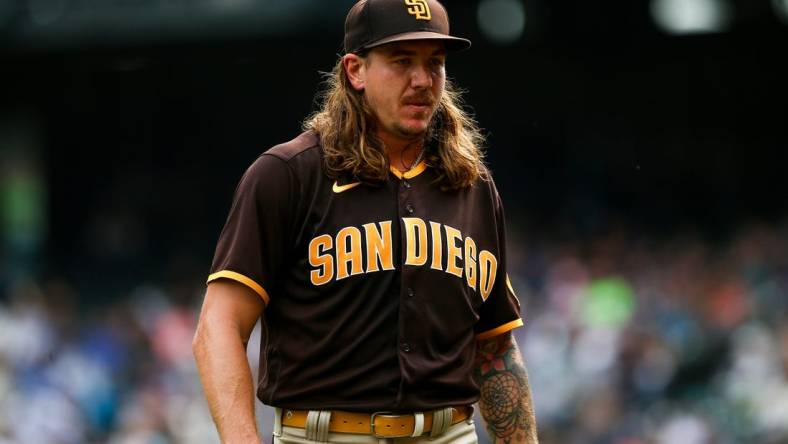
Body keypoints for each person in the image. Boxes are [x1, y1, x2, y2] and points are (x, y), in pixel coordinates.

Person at [192, 0, 538, 442]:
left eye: (435, 63)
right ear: (355, 70)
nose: (422, 80)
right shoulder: (288, 174)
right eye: (401, 61)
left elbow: (494, 348)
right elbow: (218, 326)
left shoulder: (472, 185)